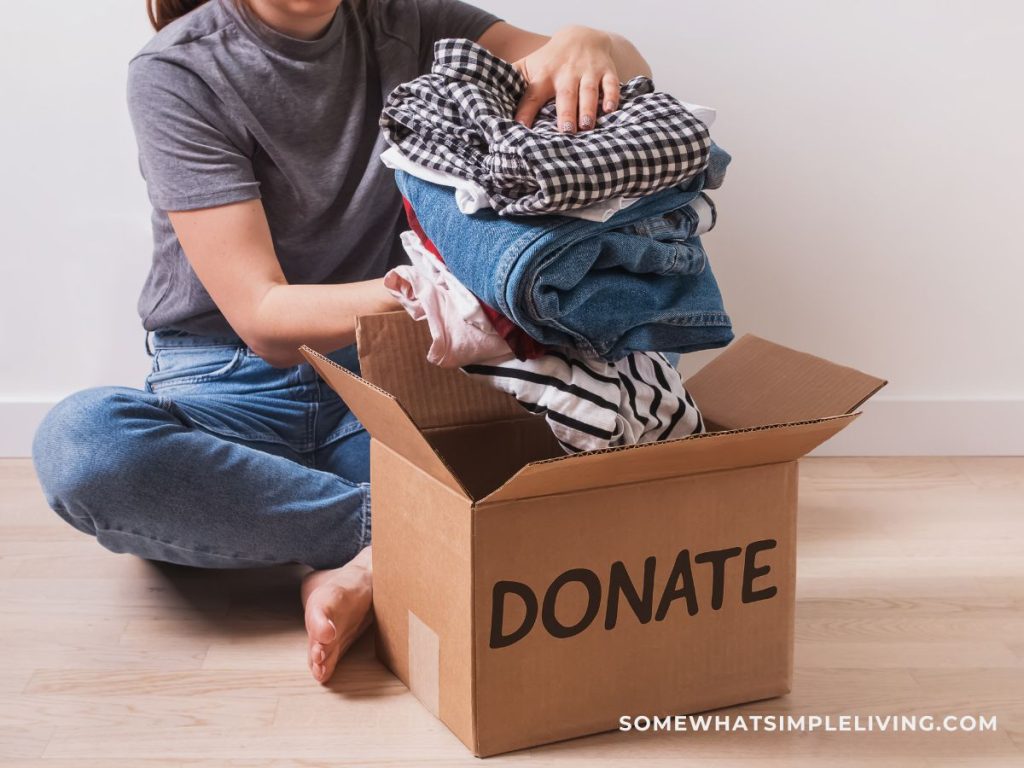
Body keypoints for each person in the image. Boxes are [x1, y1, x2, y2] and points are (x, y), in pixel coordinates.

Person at [31, 0, 654, 684]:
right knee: (84, 445)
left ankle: (363, 554)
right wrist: (448, 293)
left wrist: (589, 41)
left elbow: (622, 73)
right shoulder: (179, 68)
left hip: (384, 378)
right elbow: (265, 319)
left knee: (600, 403)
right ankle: (397, 539)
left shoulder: (407, 22)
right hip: (227, 389)